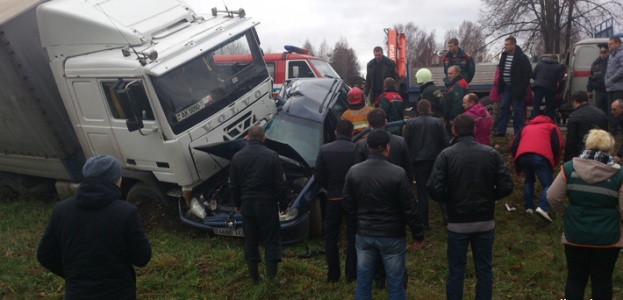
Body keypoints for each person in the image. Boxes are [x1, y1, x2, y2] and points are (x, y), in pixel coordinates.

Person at [37, 155, 152, 299]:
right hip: (118, 293)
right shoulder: (125, 212)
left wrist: (74, 276)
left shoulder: (61, 210)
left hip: (77, 293)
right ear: (116, 180)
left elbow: (45, 254)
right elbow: (142, 258)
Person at [427, 114, 514, 300]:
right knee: (484, 270)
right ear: (475, 129)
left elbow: (433, 188)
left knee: (456, 270)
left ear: (453, 130)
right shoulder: (490, 153)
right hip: (485, 221)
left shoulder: (446, 155)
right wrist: (490, 197)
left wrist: (449, 200)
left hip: (458, 222)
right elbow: (507, 185)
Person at [343, 129, 424, 300]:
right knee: (395, 283)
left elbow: (348, 203)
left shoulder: (353, 171)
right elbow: (409, 207)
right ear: (387, 147)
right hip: (392, 235)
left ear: (367, 147)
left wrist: (358, 222)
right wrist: (418, 233)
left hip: (364, 234)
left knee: (363, 283)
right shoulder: (398, 173)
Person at [547, 129, 623, 300]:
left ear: (587, 145)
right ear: (610, 148)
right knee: (603, 280)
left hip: (575, 233)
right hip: (608, 236)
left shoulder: (569, 168)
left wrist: (565, 213)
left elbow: (552, 196)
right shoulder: (619, 174)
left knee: (575, 278)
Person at [354, 108, 411, 289]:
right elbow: (409, 170)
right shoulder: (400, 142)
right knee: (394, 240)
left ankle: (379, 278)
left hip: (369, 199)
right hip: (396, 196)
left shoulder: (362, 145)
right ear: (386, 121)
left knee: (373, 240)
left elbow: (357, 173)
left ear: (369, 124)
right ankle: (399, 278)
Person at [229, 125, 288, 284]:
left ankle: (255, 278)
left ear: (247, 138)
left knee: (251, 239)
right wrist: (284, 204)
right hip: (267, 204)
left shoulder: (237, 157)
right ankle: (272, 278)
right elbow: (281, 184)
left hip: (247, 204)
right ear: (264, 138)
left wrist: (238, 204)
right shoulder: (272, 156)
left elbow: (233, 185)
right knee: (271, 239)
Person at [314, 120, 357, 283]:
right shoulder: (356, 149)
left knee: (331, 237)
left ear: (335, 132)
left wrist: (330, 187)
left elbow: (318, 175)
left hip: (333, 197)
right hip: (352, 199)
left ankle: (333, 275)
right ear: (352, 133)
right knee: (353, 235)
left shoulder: (325, 150)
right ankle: (351, 274)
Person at [403, 100, 450, 229]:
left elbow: (405, 143)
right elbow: (446, 142)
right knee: (440, 189)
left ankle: (424, 223)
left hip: (418, 162)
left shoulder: (411, 123)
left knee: (422, 193)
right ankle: (447, 220)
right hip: (436, 160)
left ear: (418, 110)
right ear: (429, 109)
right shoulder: (438, 122)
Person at [510, 114, 563, 222]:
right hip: (541, 156)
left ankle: (528, 207)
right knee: (547, 184)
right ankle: (543, 207)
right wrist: (553, 161)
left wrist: (517, 159)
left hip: (523, 155)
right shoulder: (552, 127)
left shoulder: (526, 127)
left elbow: (513, 144)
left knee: (529, 181)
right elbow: (558, 145)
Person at [494, 36, 533, 136]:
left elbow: (528, 73)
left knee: (518, 109)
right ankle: (501, 131)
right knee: (503, 108)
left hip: (517, 88)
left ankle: (519, 132)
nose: (505, 46)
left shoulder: (522, 57)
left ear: (513, 45)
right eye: (505, 44)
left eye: (507, 44)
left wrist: (522, 87)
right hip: (506, 87)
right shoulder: (504, 56)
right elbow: (501, 69)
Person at [563, 91, 608, 162]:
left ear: (574, 101)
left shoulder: (574, 116)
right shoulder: (601, 113)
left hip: (582, 154)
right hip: (601, 154)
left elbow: (571, 140)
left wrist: (567, 161)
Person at [531, 55, 564, 120]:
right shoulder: (558, 67)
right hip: (550, 87)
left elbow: (533, 75)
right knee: (549, 106)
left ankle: (534, 120)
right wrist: (558, 92)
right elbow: (561, 81)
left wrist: (538, 80)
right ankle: (550, 121)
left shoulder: (540, 63)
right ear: (556, 60)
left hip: (538, 86)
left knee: (536, 105)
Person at [444, 65, 469, 136]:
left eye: (451, 73)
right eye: (448, 73)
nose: (448, 75)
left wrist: (453, 118)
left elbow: (457, 103)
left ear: (457, 73)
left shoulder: (458, 84)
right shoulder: (454, 83)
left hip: (455, 118)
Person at [587, 48, 609, 115]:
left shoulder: (611, 62)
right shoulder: (596, 64)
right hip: (599, 90)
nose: (602, 55)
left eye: (604, 53)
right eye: (601, 53)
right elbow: (591, 77)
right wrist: (589, 90)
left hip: (609, 90)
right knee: (599, 109)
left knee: (610, 109)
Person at [605, 36, 623, 103]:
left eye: (611, 44)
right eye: (608, 44)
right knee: (612, 110)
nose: (608, 46)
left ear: (618, 44)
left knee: (618, 111)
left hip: (618, 88)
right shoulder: (611, 55)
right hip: (611, 87)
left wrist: (611, 79)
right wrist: (606, 79)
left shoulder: (621, 54)